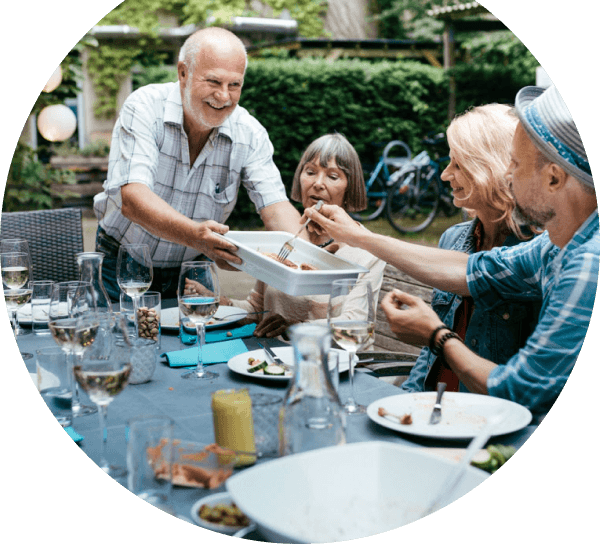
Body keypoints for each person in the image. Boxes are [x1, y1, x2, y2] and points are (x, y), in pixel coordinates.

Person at [305, 85, 598, 422]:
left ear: (553, 177)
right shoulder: (553, 247)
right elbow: (472, 270)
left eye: (515, 165)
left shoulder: (587, 263)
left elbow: (521, 389)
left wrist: (436, 336)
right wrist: (357, 235)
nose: (507, 174)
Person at [93, 27, 301, 300]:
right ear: (183, 73)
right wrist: (196, 236)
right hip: (123, 263)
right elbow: (133, 199)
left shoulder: (250, 133)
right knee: (121, 341)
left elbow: (276, 206)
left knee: (202, 341)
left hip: (193, 270)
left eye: (234, 85)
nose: (224, 96)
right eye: (213, 82)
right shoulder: (144, 107)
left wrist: (309, 258)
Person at [400, 104, 541, 393]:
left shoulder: (537, 252)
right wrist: (407, 399)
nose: (444, 175)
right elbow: (431, 352)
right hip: (434, 408)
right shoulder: (452, 239)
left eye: (458, 164)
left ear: (490, 166)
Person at [221, 134, 386, 339]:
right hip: (272, 361)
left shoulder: (366, 252)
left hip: (327, 362)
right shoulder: (283, 239)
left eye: (332, 176)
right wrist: (221, 304)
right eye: (310, 172)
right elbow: (257, 306)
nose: (317, 183)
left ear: (350, 188)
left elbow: (355, 325)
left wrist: (295, 327)